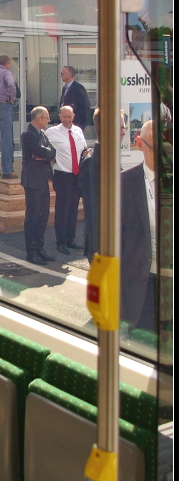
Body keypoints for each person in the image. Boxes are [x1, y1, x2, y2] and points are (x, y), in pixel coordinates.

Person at [121, 119, 157, 332]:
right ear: (139, 143)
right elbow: (112, 247)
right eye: (155, 148)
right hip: (141, 290)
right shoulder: (124, 184)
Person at [79, 108, 128, 263]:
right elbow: (93, 214)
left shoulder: (111, 157)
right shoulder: (91, 164)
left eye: (124, 128)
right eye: (119, 127)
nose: (123, 132)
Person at [45, 105, 87, 254]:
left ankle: (70, 239)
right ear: (60, 117)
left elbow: (83, 150)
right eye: (64, 117)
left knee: (73, 209)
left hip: (77, 176)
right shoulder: (53, 132)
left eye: (69, 116)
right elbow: (42, 145)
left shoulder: (78, 131)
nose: (67, 119)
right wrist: (50, 158)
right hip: (63, 175)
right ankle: (61, 241)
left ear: (73, 116)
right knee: (62, 209)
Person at [20, 106, 56, 264]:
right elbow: (41, 152)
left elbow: (52, 151)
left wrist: (45, 154)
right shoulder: (28, 134)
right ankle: (31, 251)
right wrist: (45, 154)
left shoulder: (42, 134)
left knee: (43, 215)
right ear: (39, 119)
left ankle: (40, 248)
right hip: (33, 180)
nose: (49, 120)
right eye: (47, 118)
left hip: (43, 179)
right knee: (33, 216)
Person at [59, 65, 90, 129]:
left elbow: (84, 107)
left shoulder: (78, 88)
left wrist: (77, 123)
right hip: (64, 123)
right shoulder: (65, 88)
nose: (60, 76)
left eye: (62, 74)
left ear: (68, 75)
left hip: (75, 124)